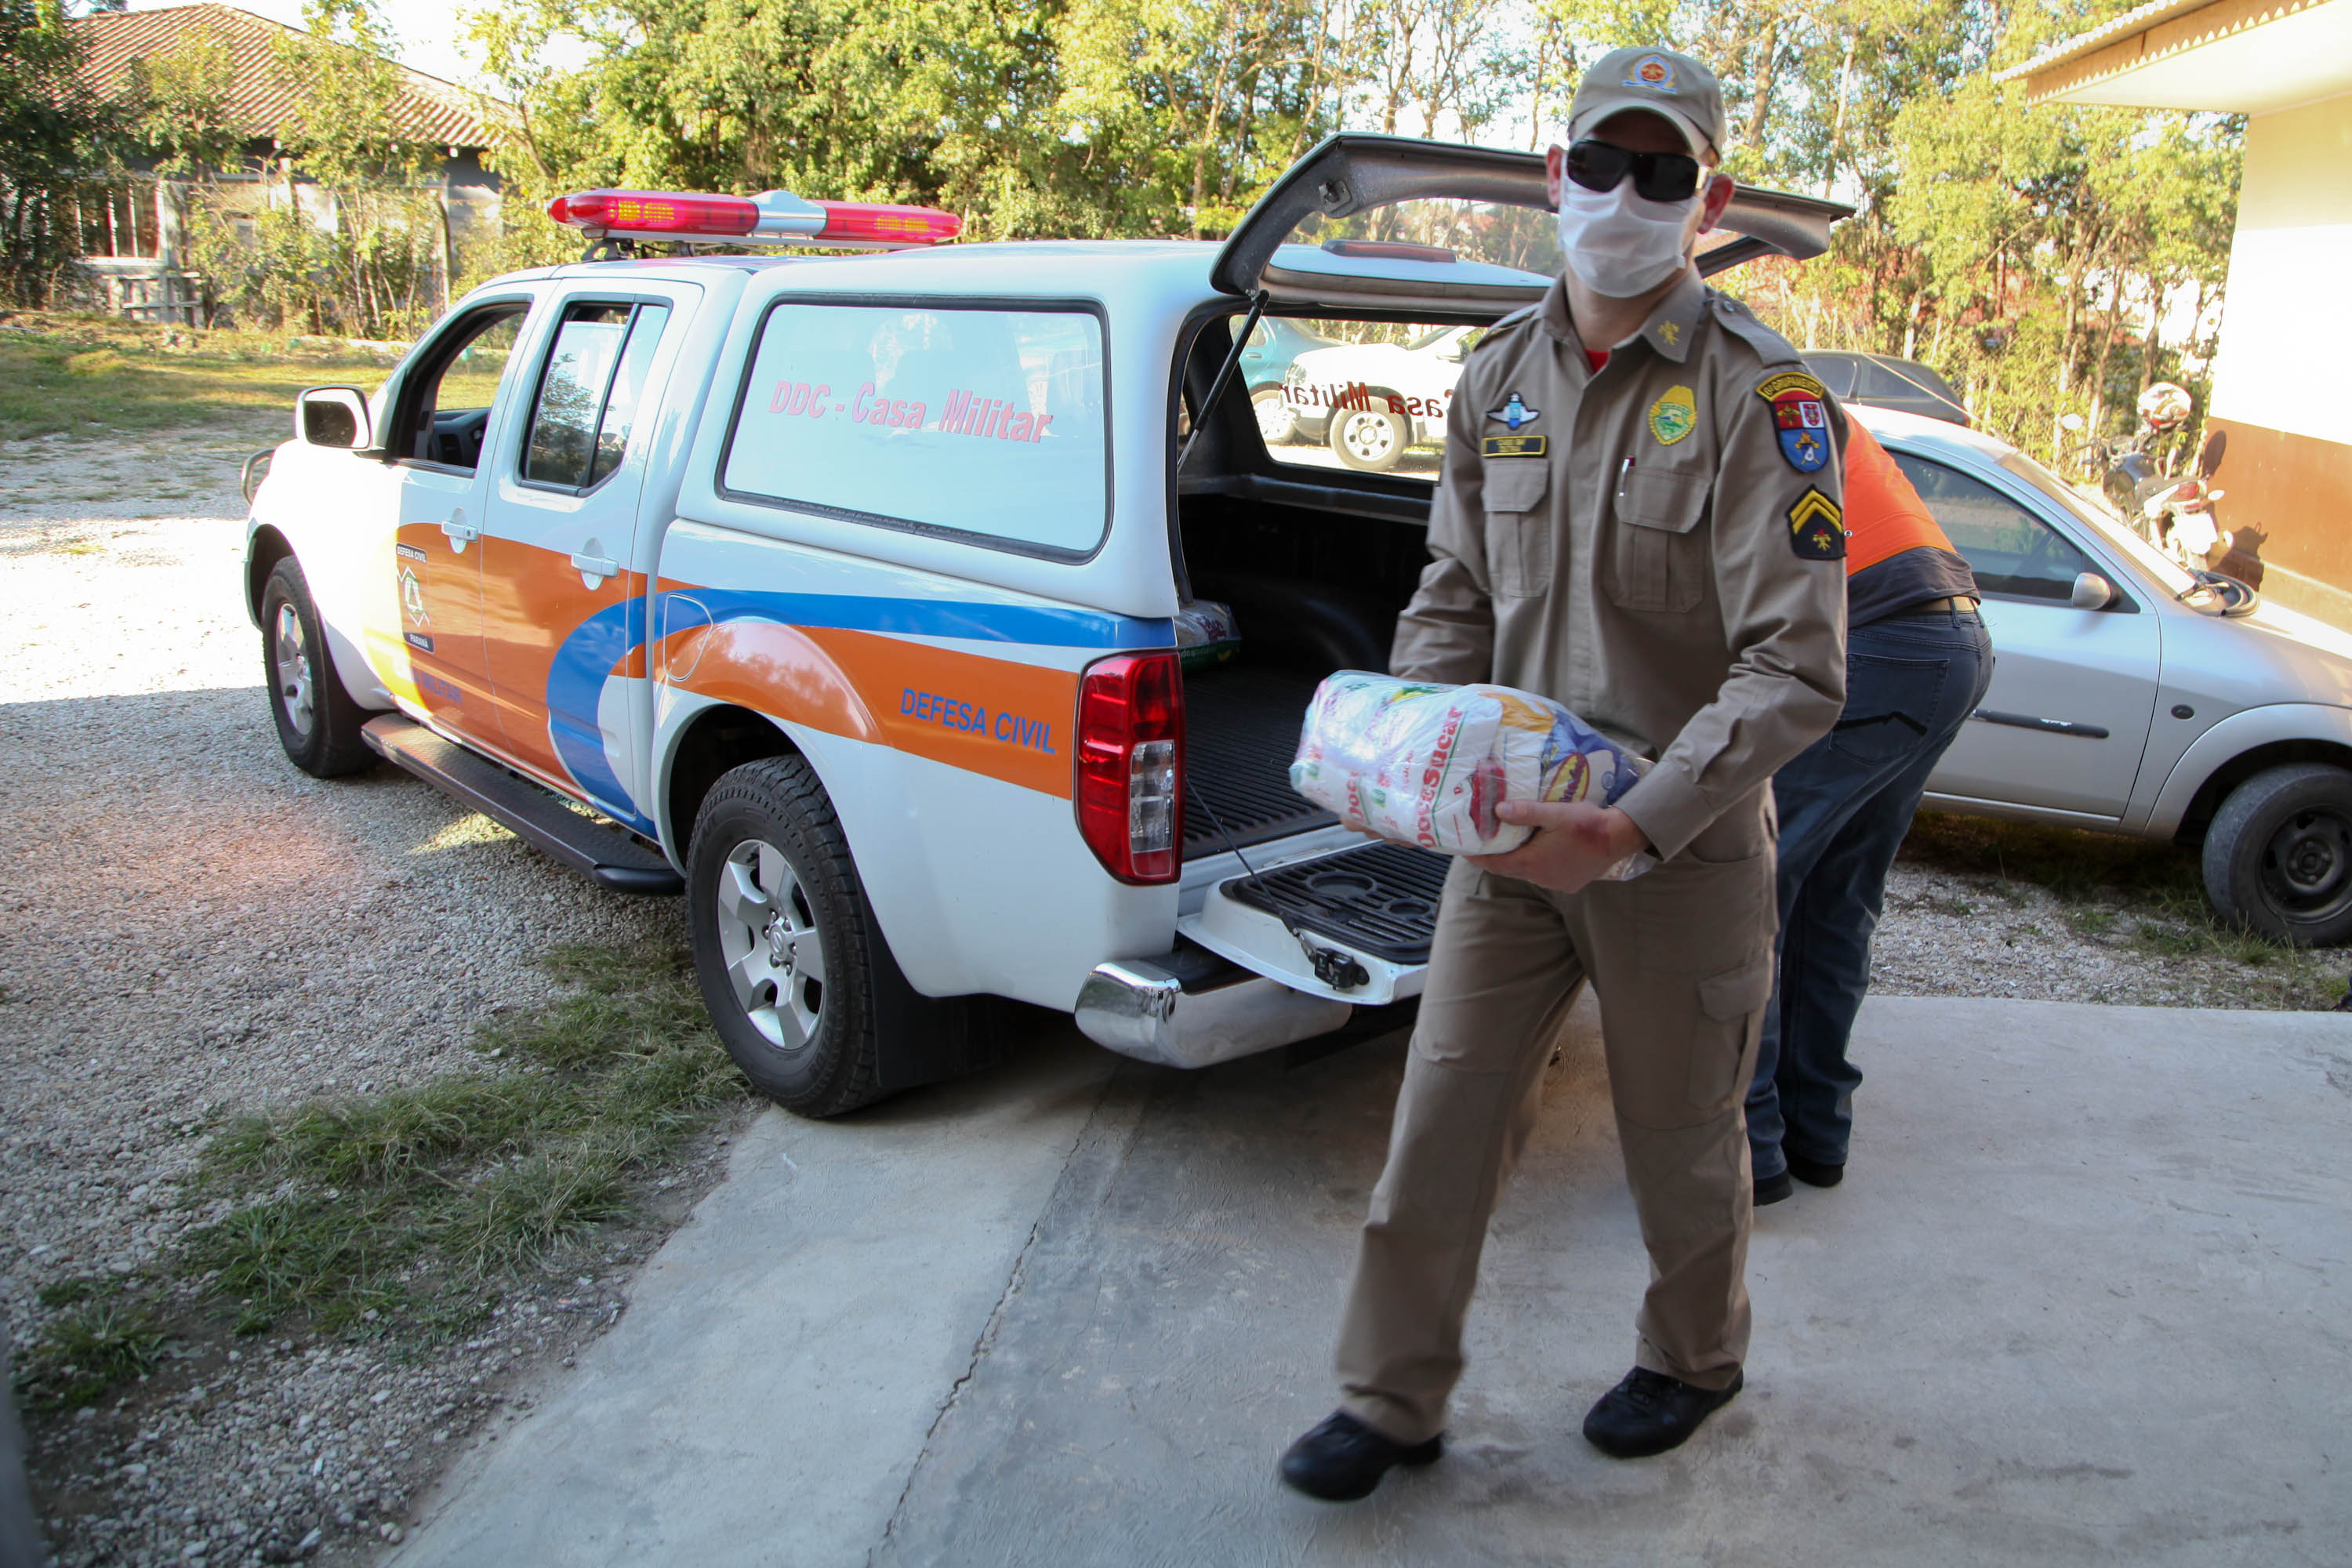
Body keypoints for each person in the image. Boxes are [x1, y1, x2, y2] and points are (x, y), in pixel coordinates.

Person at [1278, 45, 1850, 1502]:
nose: (1623, 196)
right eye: (1600, 162)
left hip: (1680, 847)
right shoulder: (1496, 378)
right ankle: (1390, 1400)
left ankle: (1693, 1360)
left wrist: (1638, 823)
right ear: (1556, 176)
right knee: (1440, 1124)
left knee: (1681, 1144)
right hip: (1508, 838)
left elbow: (1796, 669)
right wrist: (1414, 737)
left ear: (1706, 197)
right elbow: (1456, 589)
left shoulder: (1761, 399)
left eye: (1662, 172)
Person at [1746, 422, 1991, 1203]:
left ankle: (1747, 1150)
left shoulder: (1726, 397)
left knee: (1744, 895)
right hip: (1946, 640)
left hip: (1880, 644)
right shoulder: (1791, 397)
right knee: (1830, 903)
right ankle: (1817, 1135)